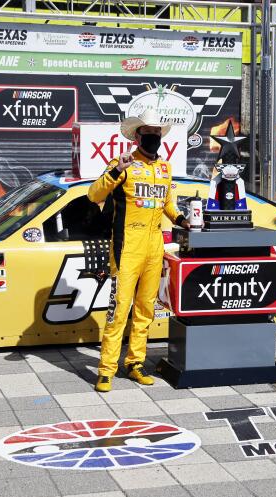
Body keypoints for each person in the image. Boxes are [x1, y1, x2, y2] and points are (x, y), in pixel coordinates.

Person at [87, 109, 189, 392]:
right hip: (126, 247)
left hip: (154, 246)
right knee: (118, 311)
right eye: (149, 132)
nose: (154, 137)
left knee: (146, 309)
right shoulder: (123, 164)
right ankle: (106, 370)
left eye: (157, 132)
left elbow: (169, 205)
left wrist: (183, 221)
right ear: (136, 136)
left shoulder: (165, 168)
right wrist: (117, 169)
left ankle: (135, 363)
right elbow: (94, 195)